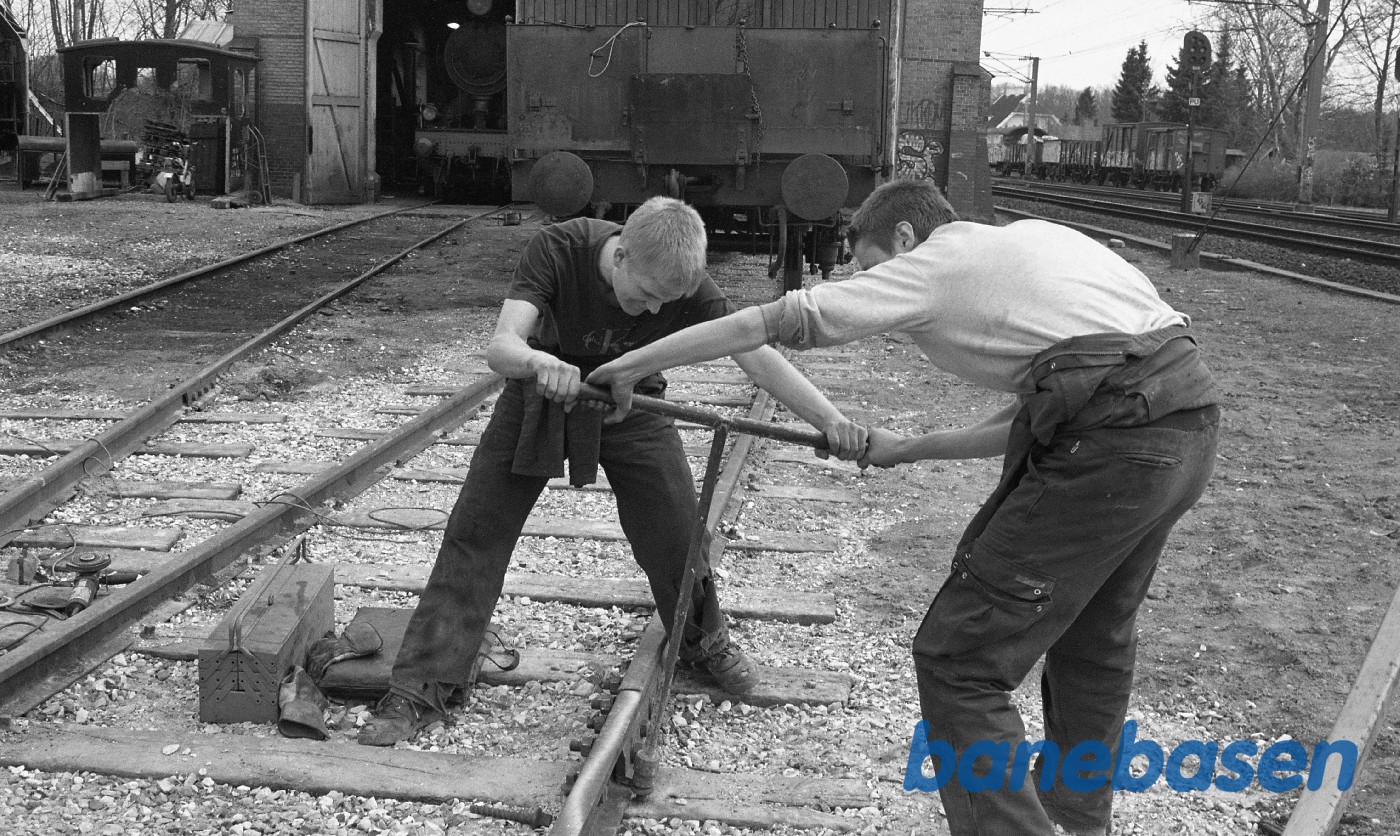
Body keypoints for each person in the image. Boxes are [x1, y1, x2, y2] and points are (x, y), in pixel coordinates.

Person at [586, 180, 1220, 835]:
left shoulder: (935, 264)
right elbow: (1054, 409)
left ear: (906, 239)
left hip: (1116, 444)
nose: (869, 286)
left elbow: (767, 324)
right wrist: (910, 449)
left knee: (959, 662)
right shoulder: (1030, 246)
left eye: (868, 267)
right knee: (1093, 641)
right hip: (1186, 426)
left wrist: (635, 364)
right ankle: (1077, 818)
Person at [359, 196, 867, 747]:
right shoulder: (558, 247)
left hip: (634, 405)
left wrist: (831, 419)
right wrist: (537, 362)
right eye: (644, 295)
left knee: (677, 531)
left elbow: (757, 353)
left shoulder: (686, 284)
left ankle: (702, 640)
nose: (652, 313)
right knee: (477, 533)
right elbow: (502, 346)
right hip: (540, 398)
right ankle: (421, 685)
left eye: (665, 303)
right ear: (620, 255)